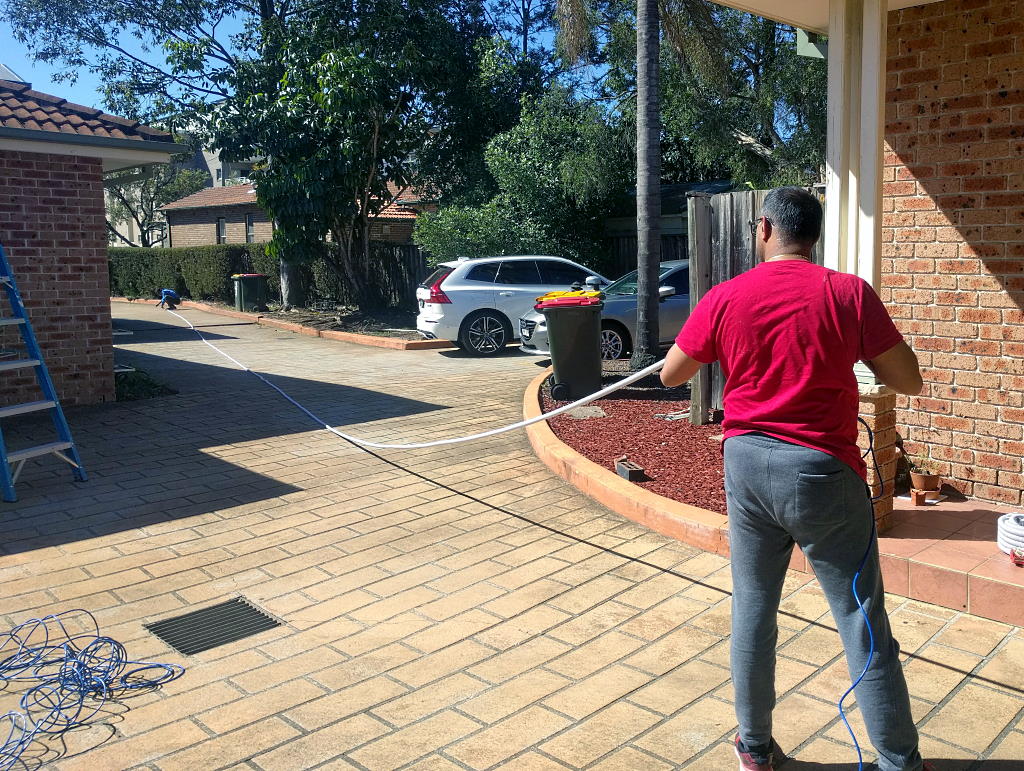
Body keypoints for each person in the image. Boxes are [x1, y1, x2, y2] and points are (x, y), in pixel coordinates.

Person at [660, 187, 932, 771]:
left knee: (753, 609)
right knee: (860, 617)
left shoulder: (726, 296)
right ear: (814, 236)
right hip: (820, 472)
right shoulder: (847, 293)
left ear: (764, 231)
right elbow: (907, 380)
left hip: (746, 464)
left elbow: (672, 373)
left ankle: (753, 749)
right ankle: (897, 760)